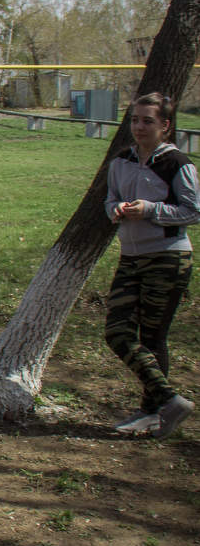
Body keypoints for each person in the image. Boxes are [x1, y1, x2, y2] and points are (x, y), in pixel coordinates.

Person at [105, 92, 200, 438]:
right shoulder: (122, 160)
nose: (140, 127)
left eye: (148, 121)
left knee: (153, 336)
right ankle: (169, 401)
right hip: (131, 256)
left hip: (167, 256)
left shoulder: (178, 164)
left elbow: (193, 211)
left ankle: (151, 411)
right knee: (116, 332)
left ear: (165, 126)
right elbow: (110, 199)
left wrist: (150, 210)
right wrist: (113, 210)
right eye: (135, 120)